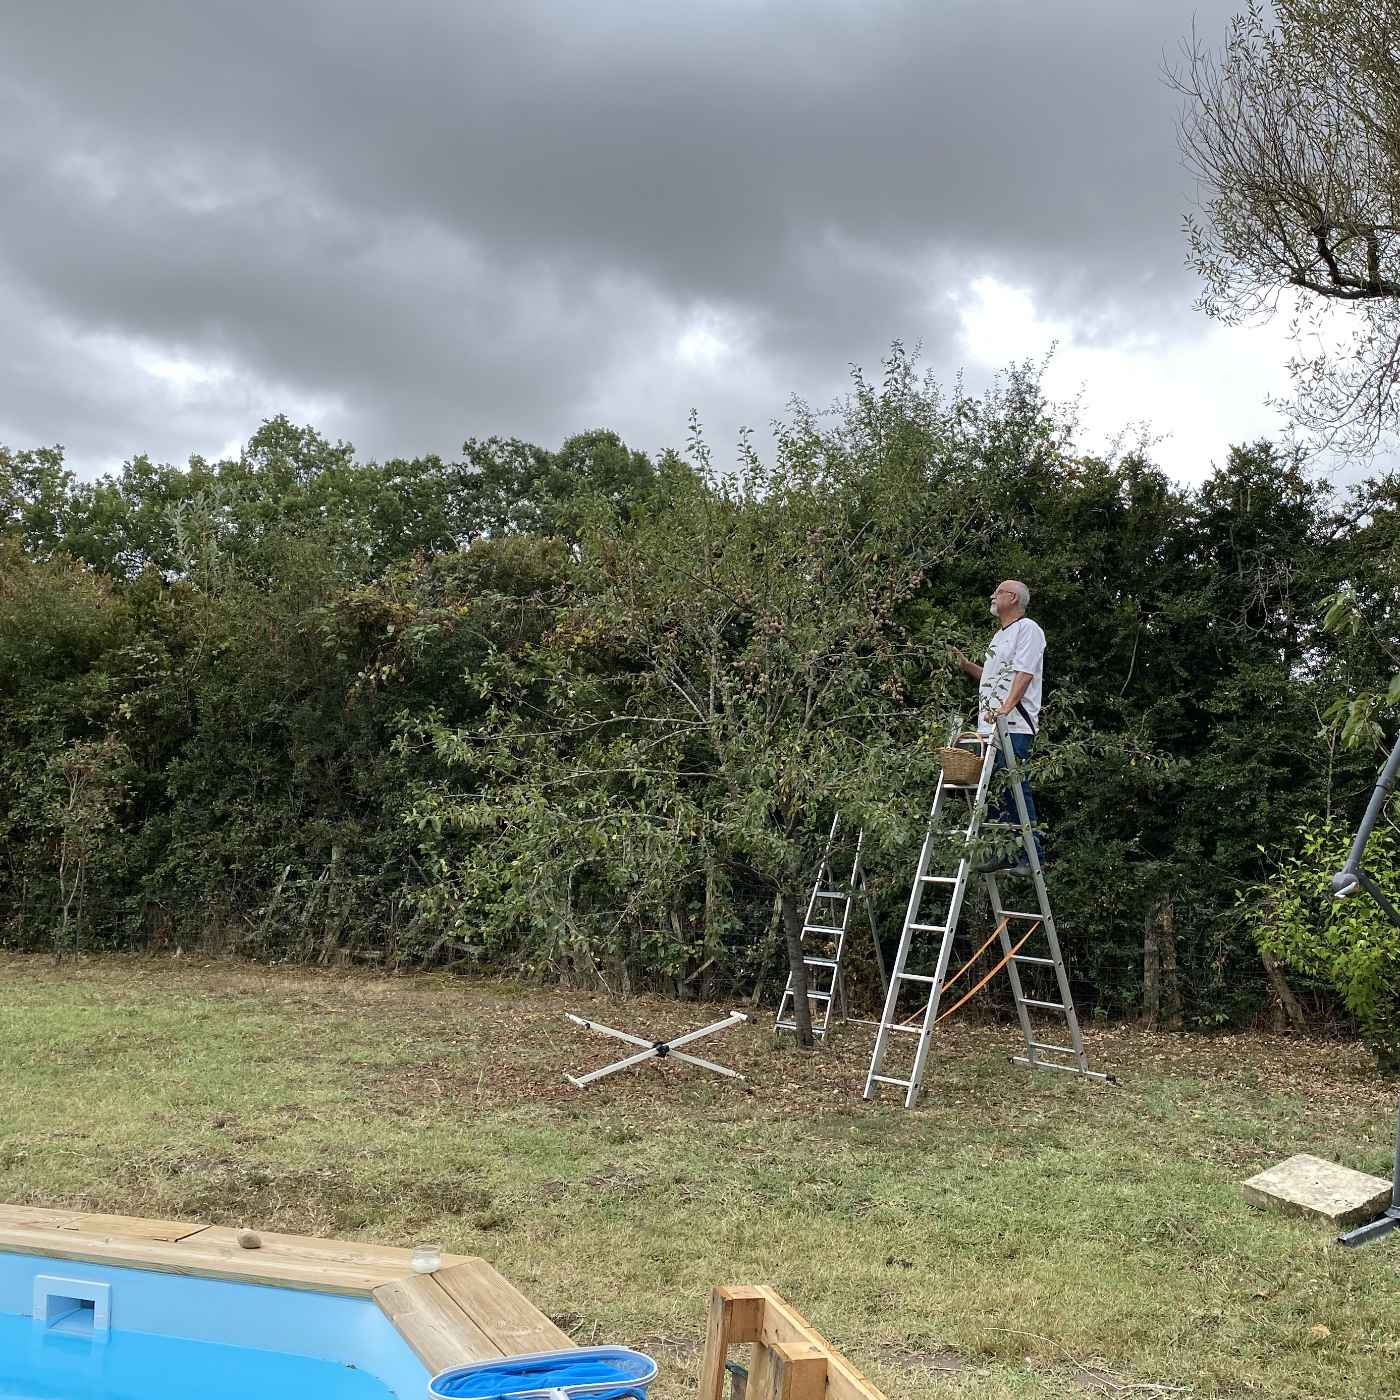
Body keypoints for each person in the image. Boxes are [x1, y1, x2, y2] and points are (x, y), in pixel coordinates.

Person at [950, 580, 1045, 876]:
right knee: (996, 791)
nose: (992, 595)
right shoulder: (998, 637)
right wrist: (966, 665)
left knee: (1015, 786)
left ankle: (1032, 857)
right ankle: (1006, 852)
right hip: (989, 728)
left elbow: (1024, 673)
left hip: (1013, 725)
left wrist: (1005, 707)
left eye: (998, 591)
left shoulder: (1029, 629)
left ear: (1013, 597)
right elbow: (990, 677)